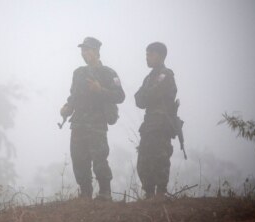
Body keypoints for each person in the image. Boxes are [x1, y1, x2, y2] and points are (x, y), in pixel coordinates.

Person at [60, 37, 125, 200]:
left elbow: (120, 96)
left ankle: (105, 193)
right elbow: (73, 96)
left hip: (97, 123)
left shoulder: (109, 73)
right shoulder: (78, 73)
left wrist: (100, 89)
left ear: (97, 51)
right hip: (78, 123)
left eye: (88, 49)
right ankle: (85, 194)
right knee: (78, 159)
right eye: (82, 50)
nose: (84, 53)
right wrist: (67, 108)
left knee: (99, 158)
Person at [134, 42, 178, 199]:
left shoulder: (165, 75)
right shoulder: (149, 78)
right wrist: (147, 95)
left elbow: (150, 95)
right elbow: (138, 100)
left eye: (150, 54)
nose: (147, 57)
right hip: (149, 124)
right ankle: (149, 194)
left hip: (161, 123)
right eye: (146, 54)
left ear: (161, 56)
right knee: (144, 161)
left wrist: (148, 95)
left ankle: (160, 194)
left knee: (160, 158)